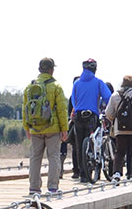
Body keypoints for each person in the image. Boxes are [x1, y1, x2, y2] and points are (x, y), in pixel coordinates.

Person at [22, 57, 69, 194]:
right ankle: (53, 187)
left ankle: (34, 188)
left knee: (35, 157)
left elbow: (24, 109)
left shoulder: (30, 87)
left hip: (35, 127)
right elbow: (61, 109)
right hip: (52, 128)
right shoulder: (56, 87)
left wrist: (26, 127)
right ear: (51, 70)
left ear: (39, 70)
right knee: (53, 156)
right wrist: (64, 129)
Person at [68, 59, 112, 180]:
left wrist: (77, 108)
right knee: (93, 141)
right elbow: (108, 97)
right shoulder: (98, 82)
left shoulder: (76, 83)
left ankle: (83, 174)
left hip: (78, 115)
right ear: (95, 69)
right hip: (92, 115)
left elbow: (73, 99)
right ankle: (92, 166)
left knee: (79, 144)